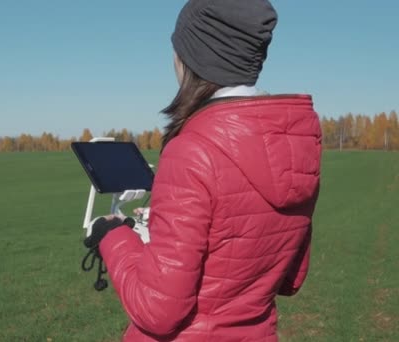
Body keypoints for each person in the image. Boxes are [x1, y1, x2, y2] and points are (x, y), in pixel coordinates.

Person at [84, 0, 321, 341]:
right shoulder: (297, 145)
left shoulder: (191, 151)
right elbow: (289, 277)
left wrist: (113, 237)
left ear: (193, 57)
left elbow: (158, 310)